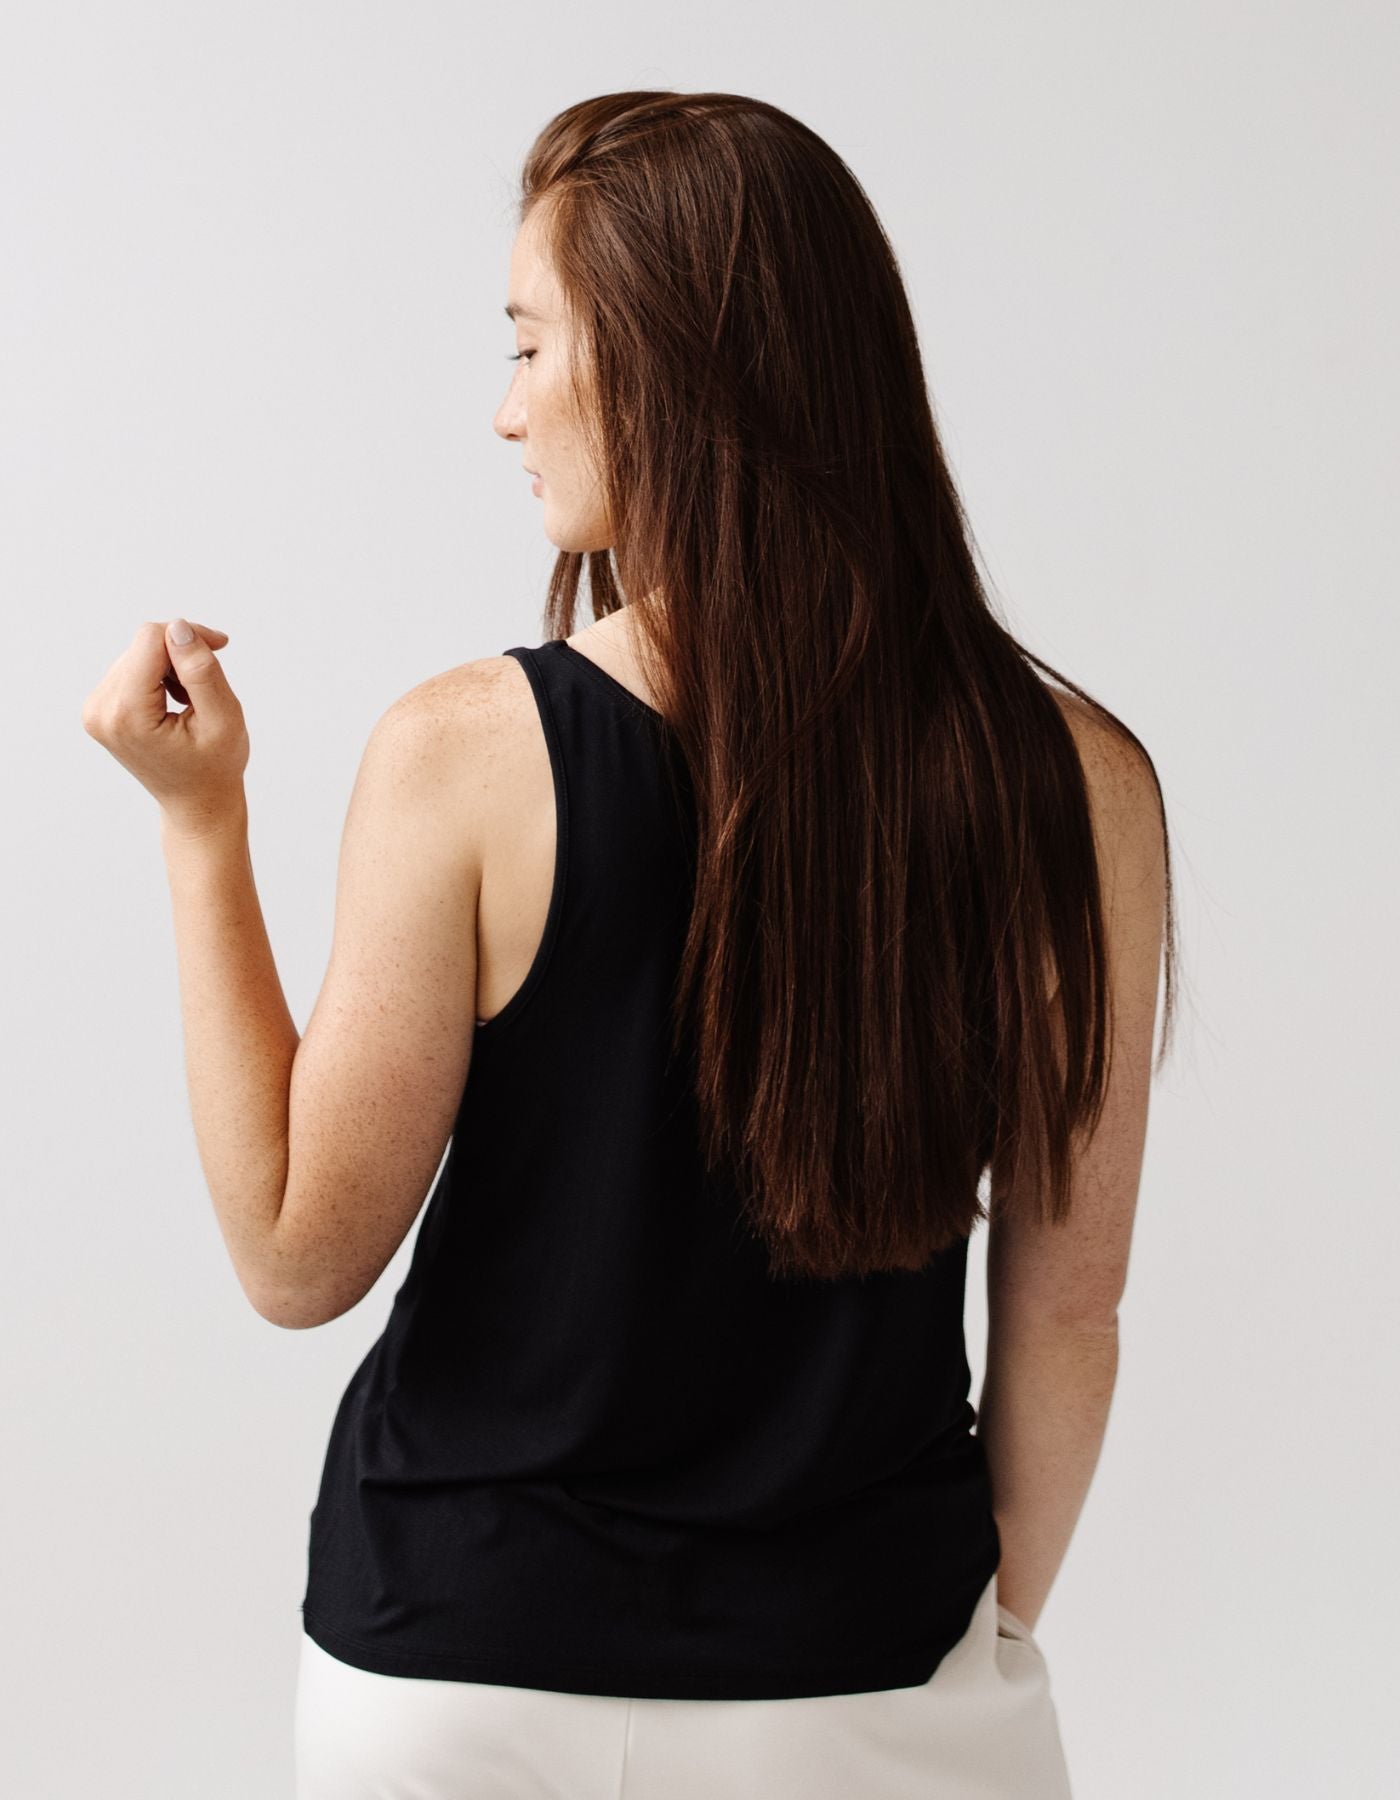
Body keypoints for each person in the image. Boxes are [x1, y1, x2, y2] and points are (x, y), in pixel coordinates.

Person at [85, 89, 1176, 1800]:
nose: (505, 410)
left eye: (529, 346)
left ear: (671, 365)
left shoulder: (464, 754)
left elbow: (297, 1257)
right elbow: (1071, 1303)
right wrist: (977, 1647)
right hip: (868, 1675)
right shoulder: (1080, 785)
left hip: (458, 1673)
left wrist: (199, 826)